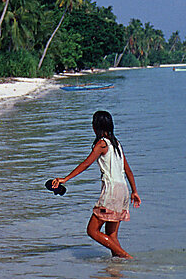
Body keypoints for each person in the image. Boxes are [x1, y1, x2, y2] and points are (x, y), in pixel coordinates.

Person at [52, 110, 140, 258]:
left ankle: (126, 256)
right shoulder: (117, 144)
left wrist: (65, 179)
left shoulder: (102, 144)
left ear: (95, 127)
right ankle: (116, 273)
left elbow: (86, 163)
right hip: (123, 189)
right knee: (111, 236)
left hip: (112, 190)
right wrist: (134, 191)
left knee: (92, 230)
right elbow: (128, 171)